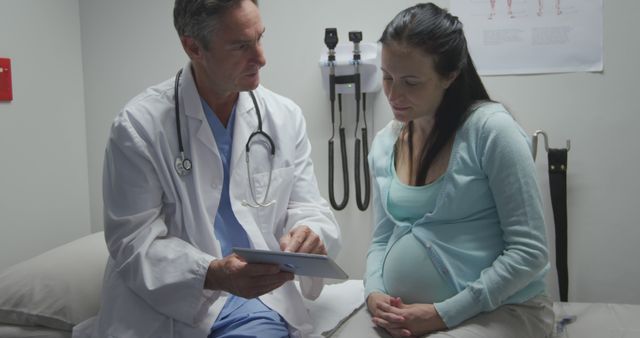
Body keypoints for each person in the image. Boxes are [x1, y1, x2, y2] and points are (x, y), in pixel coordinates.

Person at [72, 0, 341, 337]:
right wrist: (211, 273)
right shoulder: (139, 127)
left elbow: (307, 206)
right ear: (193, 47)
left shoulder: (284, 117)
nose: (261, 57)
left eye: (260, 38)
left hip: (254, 306)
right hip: (168, 308)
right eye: (242, 46)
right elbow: (132, 241)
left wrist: (310, 233)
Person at [364, 3, 553, 338]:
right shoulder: (385, 143)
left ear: (450, 75)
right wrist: (374, 292)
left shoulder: (491, 131)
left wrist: (443, 314)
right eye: (388, 77)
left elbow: (529, 253)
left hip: (502, 308)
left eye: (411, 81)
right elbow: (381, 238)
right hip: (409, 315)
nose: (394, 94)